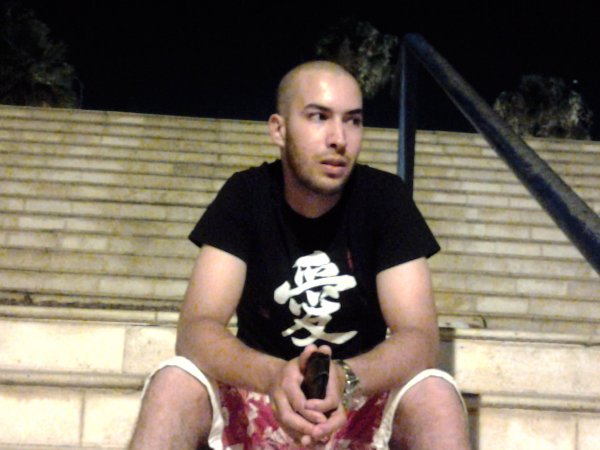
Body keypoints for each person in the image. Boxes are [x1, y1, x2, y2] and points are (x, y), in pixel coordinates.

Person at [129, 60, 470, 449]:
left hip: (356, 400)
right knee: (174, 382)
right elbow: (196, 329)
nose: (339, 138)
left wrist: (346, 378)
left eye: (353, 120)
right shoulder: (246, 195)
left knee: (435, 395)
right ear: (279, 129)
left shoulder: (385, 199)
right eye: (319, 117)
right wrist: (273, 376)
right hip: (260, 395)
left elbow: (420, 338)